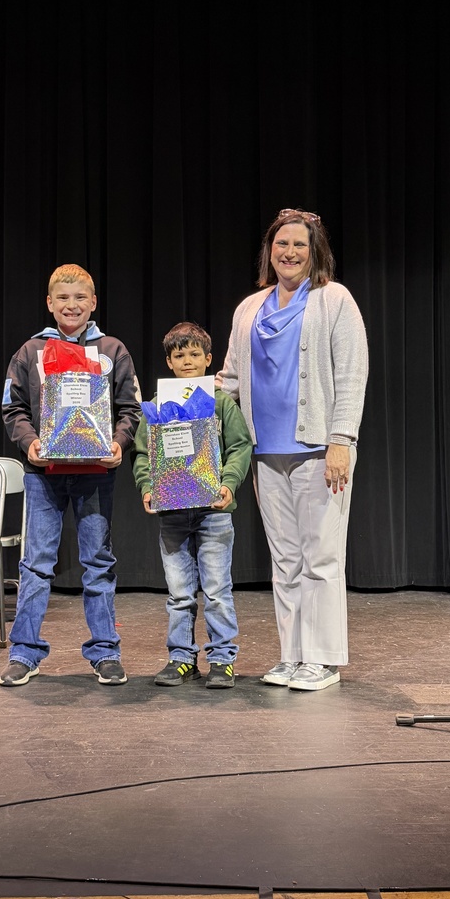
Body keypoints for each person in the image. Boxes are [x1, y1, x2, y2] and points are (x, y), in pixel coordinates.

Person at [216, 208, 368, 692]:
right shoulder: (249, 308)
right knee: (285, 560)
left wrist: (341, 441)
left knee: (321, 556)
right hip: (266, 452)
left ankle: (321, 660)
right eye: (282, 244)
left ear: (315, 251)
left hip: (319, 448)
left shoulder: (334, 300)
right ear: (270, 251)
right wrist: (182, 408)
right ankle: (293, 654)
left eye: (300, 245)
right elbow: (231, 380)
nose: (290, 252)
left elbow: (351, 375)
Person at [0, 263, 141, 688]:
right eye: (63, 298)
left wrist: (119, 442)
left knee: (98, 562)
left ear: (93, 302)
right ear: (49, 303)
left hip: (95, 473)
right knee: (36, 563)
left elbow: (131, 408)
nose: (72, 305)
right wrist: (30, 444)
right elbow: (13, 408)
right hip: (43, 474)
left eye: (80, 297)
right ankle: (24, 652)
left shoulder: (112, 350)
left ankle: (105, 652)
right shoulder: (30, 352)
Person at [131, 321, 253, 689]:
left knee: (216, 590)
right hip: (172, 513)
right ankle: (181, 658)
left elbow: (240, 446)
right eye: (179, 355)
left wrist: (229, 484)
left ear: (209, 359)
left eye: (195, 355)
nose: (187, 362)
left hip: (213, 512)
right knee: (179, 592)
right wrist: (147, 487)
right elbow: (142, 453)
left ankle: (221, 660)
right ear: (169, 361)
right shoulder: (157, 406)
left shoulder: (219, 403)